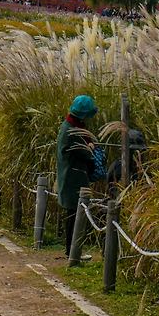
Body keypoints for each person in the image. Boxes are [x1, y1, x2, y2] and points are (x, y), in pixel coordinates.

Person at [57, 94, 101, 257]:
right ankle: (72, 252)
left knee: (73, 214)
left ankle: (72, 251)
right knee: (74, 215)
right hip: (72, 179)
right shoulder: (71, 131)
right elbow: (84, 152)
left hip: (70, 177)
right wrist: (89, 147)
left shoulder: (69, 126)